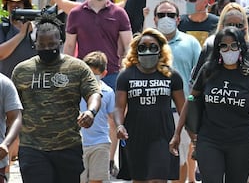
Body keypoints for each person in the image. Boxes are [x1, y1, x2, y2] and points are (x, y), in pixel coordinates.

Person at [171, 26, 249, 183]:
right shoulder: (208, 71)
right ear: (218, 49)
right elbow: (190, 101)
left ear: (241, 47)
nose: (228, 50)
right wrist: (177, 133)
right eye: (223, 46)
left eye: (233, 46)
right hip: (210, 140)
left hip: (241, 142)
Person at [12, 14, 102, 183]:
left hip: (67, 146)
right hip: (32, 147)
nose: (47, 48)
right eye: (42, 45)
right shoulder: (22, 71)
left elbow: (94, 93)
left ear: (60, 43)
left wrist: (91, 111)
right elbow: (12, 107)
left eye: (52, 45)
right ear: (35, 44)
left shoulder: (77, 67)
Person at [115, 30, 185, 182]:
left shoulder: (171, 75)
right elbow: (119, 107)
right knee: (139, 179)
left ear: (161, 50)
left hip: (163, 134)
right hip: (134, 134)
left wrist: (187, 135)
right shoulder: (126, 75)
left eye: (153, 47)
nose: (147, 51)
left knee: (158, 179)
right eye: (142, 47)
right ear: (136, 50)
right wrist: (119, 126)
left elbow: (183, 109)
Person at [152, 0, 202, 182]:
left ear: (178, 19)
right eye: (162, 14)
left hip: (180, 112)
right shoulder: (144, 44)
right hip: (150, 112)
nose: (167, 18)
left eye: (171, 15)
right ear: (154, 19)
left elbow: (200, 78)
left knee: (179, 160)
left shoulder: (191, 43)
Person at [64, 0, 133, 89]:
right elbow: (69, 45)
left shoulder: (119, 13)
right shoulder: (76, 13)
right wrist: (67, 71)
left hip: (112, 73)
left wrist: (126, 69)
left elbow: (129, 44)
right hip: (83, 73)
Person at [80, 52, 116, 183]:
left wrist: (111, 156)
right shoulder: (76, 90)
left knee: (97, 180)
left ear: (103, 74)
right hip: (79, 143)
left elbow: (112, 122)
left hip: (100, 142)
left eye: (94, 74)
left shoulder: (108, 92)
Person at [0, 0, 36, 78]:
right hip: (8, 83)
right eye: (10, 2)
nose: (14, 4)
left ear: (25, 5)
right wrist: (21, 34)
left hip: (32, 84)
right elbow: (1, 54)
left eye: (18, 2)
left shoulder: (37, 28)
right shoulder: (3, 28)